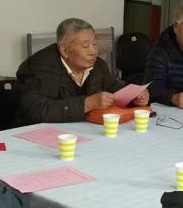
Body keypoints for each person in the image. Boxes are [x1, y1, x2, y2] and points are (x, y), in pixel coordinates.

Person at [14, 17, 149, 126]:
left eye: (94, 44)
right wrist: (87, 104)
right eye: (85, 46)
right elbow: (38, 111)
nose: (93, 51)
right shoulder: (39, 68)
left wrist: (135, 97)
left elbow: (115, 88)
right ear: (64, 50)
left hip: (83, 132)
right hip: (35, 136)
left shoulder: (98, 65)